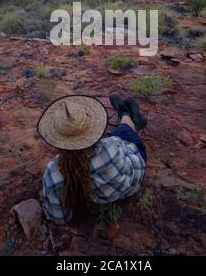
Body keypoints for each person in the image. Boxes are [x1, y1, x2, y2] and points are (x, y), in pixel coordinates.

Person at [37, 93, 147, 224]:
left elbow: (59, 218)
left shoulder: (52, 173)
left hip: (95, 200)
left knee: (121, 135)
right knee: (122, 132)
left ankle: (127, 114)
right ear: (91, 130)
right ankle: (127, 116)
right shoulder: (110, 145)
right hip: (129, 187)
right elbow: (132, 152)